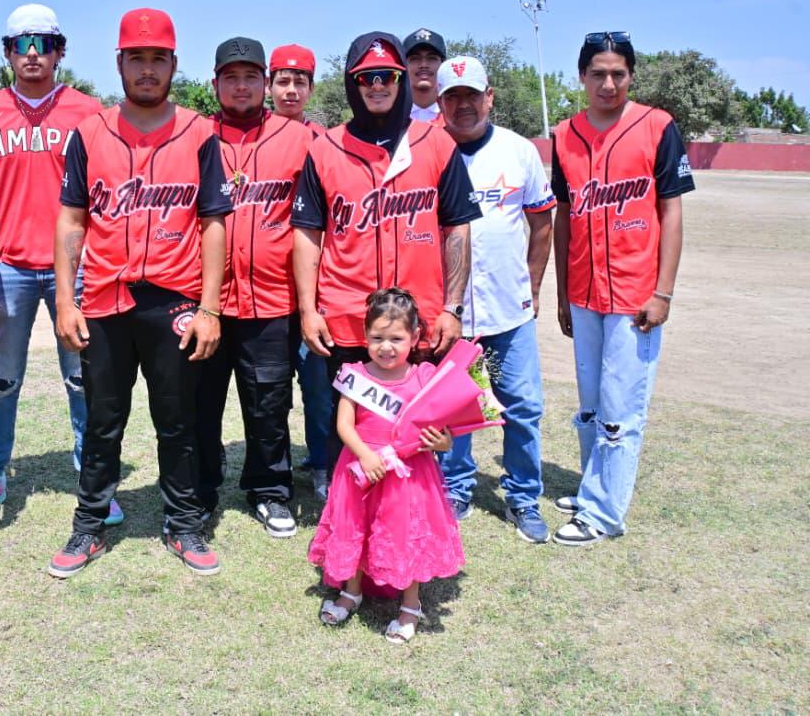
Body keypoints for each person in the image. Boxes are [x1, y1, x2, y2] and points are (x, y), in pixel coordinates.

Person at [47, 8, 231, 578]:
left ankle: (183, 523)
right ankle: (90, 523)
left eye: (158, 59)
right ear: (120, 63)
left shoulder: (200, 131)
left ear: (174, 64)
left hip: (173, 299)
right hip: (105, 298)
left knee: (177, 418)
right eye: (136, 59)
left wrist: (209, 308)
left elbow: (214, 223)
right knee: (103, 420)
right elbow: (71, 220)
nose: (147, 70)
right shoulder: (90, 131)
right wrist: (64, 300)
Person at [291, 32, 480, 473]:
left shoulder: (435, 143)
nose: (377, 85)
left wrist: (453, 307)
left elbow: (457, 227)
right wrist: (307, 310)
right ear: (352, 84)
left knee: (416, 432)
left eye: (387, 76)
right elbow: (307, 235)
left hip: (418, 323)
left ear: (402, 80)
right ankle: (350, 521)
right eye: (366, 77)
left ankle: (407, 523)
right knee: (351, 430)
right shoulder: (326, 148)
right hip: (347, 320)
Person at [0, 5, 110, 519]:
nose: (31, 55)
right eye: (20, 45)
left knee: (82, 376)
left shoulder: (90, 112)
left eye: (42, 44)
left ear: (60, 50)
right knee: (4, 377)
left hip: (76, 267)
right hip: (10, 269)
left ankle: (92, 474)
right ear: (6, 53)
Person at [550, 32, 694, 546]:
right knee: (591, 403)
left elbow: (671, 211)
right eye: (598, 73)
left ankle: (603, 514)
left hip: (636, 294)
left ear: (631, 75)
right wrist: (564, 290)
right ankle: (595, 486)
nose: (608, 83)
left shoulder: (657, 126)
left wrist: (665, 292)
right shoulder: (565, 134)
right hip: (585, 292)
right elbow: (564, 216)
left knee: (620, 408)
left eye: (618, 73)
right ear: (582, 77)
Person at [432, 56, 556, 539]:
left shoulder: (518, 150)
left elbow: (542, 222)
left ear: (490, 97)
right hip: (451, 315)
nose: (463, 105)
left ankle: (523, 497)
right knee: (456, 408)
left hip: (508, 311)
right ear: (440, 103)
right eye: (452, 96)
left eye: (471, 94)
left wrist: (533, 284)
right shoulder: (428, 152)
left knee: (522, 407)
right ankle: (455, 488)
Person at [194, 37, 312, 537]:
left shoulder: (299, 138)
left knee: (268, 401)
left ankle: (269, 489)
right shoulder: (192, 137)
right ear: (215, 82)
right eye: (230, 76)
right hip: (205, 299)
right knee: (198, 400)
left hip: (272, 297)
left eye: (250, 76)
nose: (240, 85)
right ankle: (197, 490)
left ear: (265, 82)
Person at [307, 288, 463, 644]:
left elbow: (445, 434)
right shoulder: (354, 375)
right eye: (377, 338)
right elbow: (344, 425)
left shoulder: (424, 377)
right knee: (356, 529)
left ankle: (411, 604)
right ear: (365, 337)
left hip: (407, 476)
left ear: (415, 337)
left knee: (404, 535)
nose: (386, 346)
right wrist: (364, 454)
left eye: (396, 338)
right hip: (361, 468)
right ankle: (351, 591)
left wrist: (441, 442)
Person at [269, 43, 331, 500]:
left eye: (300, 82)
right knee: (270, 391)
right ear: (270, 86)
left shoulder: (324, 141)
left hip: (314, 288)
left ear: (310, 89)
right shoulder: (245, 137)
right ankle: (274, 469)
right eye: (283, 81)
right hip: (266, 290)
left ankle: (323, 463)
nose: (291, 90)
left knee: (318, 388)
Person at [403, 28, 446, 123]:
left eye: (431, 58)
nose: (423, 65)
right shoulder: (391, 117)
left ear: (443, 65)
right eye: (415, 58)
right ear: (404, 66)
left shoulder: (454, 118)